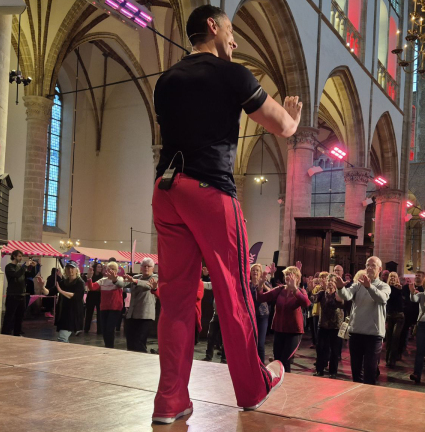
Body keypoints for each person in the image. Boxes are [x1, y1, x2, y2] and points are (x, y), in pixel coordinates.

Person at [150, 4, 304, 422]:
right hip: (209, 192)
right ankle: (253, 386)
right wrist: (293, 118)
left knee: (177, 299)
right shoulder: (231, 73)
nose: (234, 40)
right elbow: (283, 127)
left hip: (166, 191)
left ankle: (170, 402)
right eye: (231, 31)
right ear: (213, 27)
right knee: (235, 291)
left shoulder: (166, 80)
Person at [338, 256, 390, 385]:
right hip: (356, 333)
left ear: (380, 269)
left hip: (373, 335)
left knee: (369, 372)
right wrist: (340, 288)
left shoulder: (384, 286)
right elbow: (347, 295)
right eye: (368, 265)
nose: (369, 268)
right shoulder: (358, 285)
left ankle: (368, 401)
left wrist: (369, 287)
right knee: (356, 373)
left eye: (373, 265)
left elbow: (381, 298)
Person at [256, 266, 310, 373]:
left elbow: (306, 303)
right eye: (286, 275)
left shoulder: (300, 291)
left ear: (297, 278)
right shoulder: (280, 290)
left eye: (290, 275)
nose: (287, 277)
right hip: (279, 329)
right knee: (278, 360)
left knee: (286, 360)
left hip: (294, 331)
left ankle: (287, 385)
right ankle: (279, 384)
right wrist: (260, 284)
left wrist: (294, 289)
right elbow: (261, 298)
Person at [123, 258, 158, 353]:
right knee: (130, 341)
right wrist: (115, 280)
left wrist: (134, 281)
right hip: (132, 314)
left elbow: (148, 285)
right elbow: (122, 283)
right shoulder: (136, 277)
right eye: (144, 266)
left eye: (149, 266)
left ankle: (142, 362)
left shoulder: (155, 277)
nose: (146, 268)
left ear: (153, 268)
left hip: (145, 315)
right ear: (141, 267)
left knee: (139, 341)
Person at [313, 273, 345, 378]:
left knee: (334, 351)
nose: (330, 282)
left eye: (333, 281)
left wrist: (339, 299)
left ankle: (333, 372)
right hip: (323, 325)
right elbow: (313, 300)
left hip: (336, 326)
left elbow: (340, 304)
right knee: (320, 348)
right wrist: (310, 290)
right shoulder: (322, 293)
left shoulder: (339, 294)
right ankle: (319, 370)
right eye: (329, 280)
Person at [87, 262, 125, 348]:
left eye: (113, 269)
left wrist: (114, 279)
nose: (111, 271)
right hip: (104, 308)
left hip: (115, 308)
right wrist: (89, 277)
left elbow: (121, 284)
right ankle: (107, 346)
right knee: (104, 330)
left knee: (109, 329)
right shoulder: (102, 280)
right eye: (109, 269)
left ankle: (110, 347)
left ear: (117, 270)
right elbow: (92, 287)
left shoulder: (119, 279)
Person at [2, 250, 35, 336]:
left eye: (21, 256)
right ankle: (5, 334)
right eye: (19, 256)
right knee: (9, 317)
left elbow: (30, 275)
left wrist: (34, 267)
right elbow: (16, 275)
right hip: (12, 296)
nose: (21, 258)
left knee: (20, 317)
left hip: (21, 295)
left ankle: (17, 333)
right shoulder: (9, 267)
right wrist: (24, 267)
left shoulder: (20, 267)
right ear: (14, 256)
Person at [54, 262, 86, 343]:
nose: (70, 270)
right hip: (63, 314)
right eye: (68, 268)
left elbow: (76, 296)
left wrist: (61, 291)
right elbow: (50, 292)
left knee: (62, 338)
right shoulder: (63, 282)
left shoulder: (80, 282)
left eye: (72, 268)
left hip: (73, 314)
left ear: (76, 270)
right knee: (63, 339)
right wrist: (42, 287)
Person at [399, 270, 425, 358]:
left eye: (419, 275)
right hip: (408, 312)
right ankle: (401, 350)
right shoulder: (407, 287)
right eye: (416, 275)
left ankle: (421, 353)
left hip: (419, 313)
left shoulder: (424, 289)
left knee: (420, 334)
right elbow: (403, 297)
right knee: (404, 332)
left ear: (423, 277)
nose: (417, 276)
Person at [250, 263, 272, 363]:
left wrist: (262, 284)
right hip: (250, 316)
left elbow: (271, 293)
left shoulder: (265, 283)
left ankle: (261, 366)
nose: (255, 272)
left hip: (263, 316)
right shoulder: (247, 284)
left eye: (257, 270)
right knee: (250, 343)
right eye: (253, 270)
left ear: (260, 273)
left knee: (260, 344)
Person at [384, 272, 405, 367]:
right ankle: (388, 358)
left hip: (399, 315)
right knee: (389, 337)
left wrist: (400, 289)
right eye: (391, 276)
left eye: (394, 277)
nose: (392, 278)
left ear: (397, 278)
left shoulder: (400, 288)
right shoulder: (386, 288)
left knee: (395, 337)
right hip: (389, 315)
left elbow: (402, 301)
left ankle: (392, 360)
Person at [84, 262, 103, 334]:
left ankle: (100, 330)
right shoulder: (91, 276)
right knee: (89, 312)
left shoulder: (102, 276)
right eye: (98, 267)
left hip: (99, 296)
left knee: (99, 313)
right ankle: (86, 328)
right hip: (91, 295)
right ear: (95, 268)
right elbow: (89, 285)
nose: (100, 268)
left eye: (100, 267)